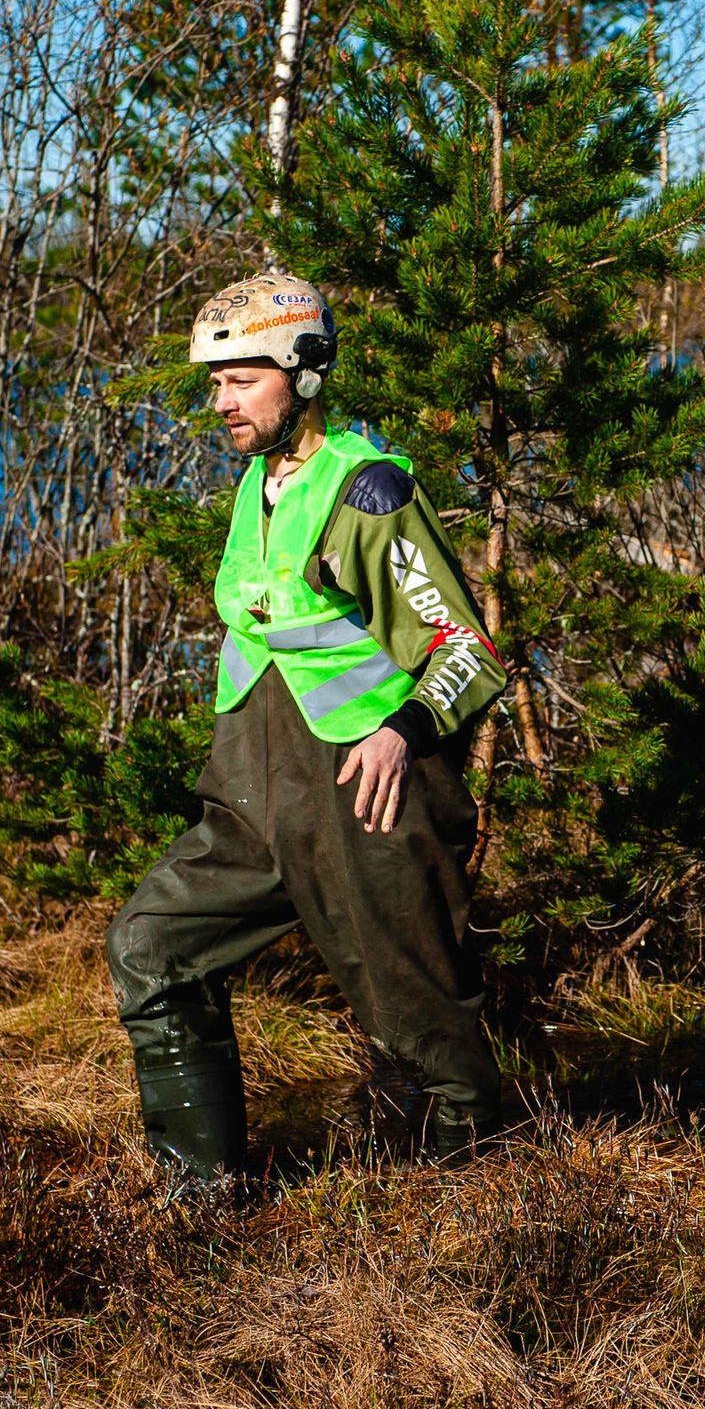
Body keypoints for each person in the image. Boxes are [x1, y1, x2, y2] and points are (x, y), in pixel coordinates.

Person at [106, 271, 510, 1177]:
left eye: (242, 379)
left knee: (425, 1040)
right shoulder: (257, 487)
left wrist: (401, 729)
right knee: (149, 946)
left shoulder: (366, 494)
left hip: (367, 808)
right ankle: (200, 1206)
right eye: (215, 383)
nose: (222, 402)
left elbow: (469, 655)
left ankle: (481, 1225)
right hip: (252, 802)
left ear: (305, 371)